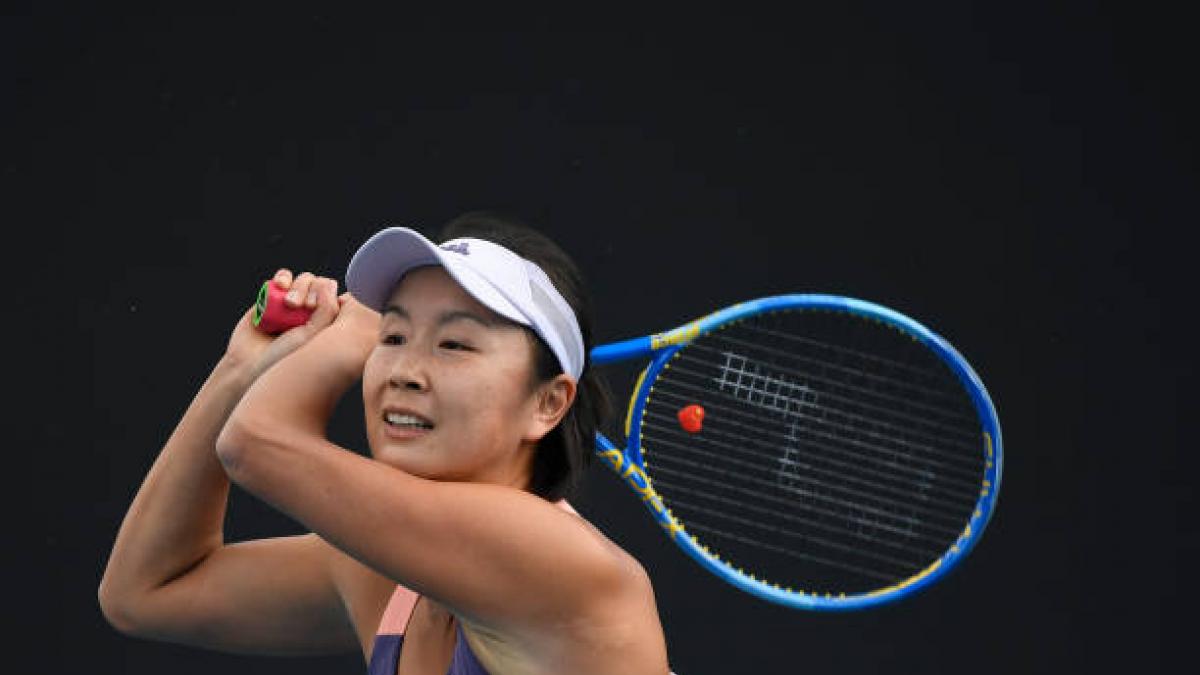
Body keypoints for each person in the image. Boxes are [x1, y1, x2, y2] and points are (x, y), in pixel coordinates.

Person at [98, 211, 673, 674]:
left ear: (548, 403)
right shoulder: (381, 576)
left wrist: (350, 334)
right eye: (394, 335)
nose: (403, 370)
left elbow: (255, 443)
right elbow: (145, 592)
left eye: (454, 345)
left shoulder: (558, 562)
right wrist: (238, 371)